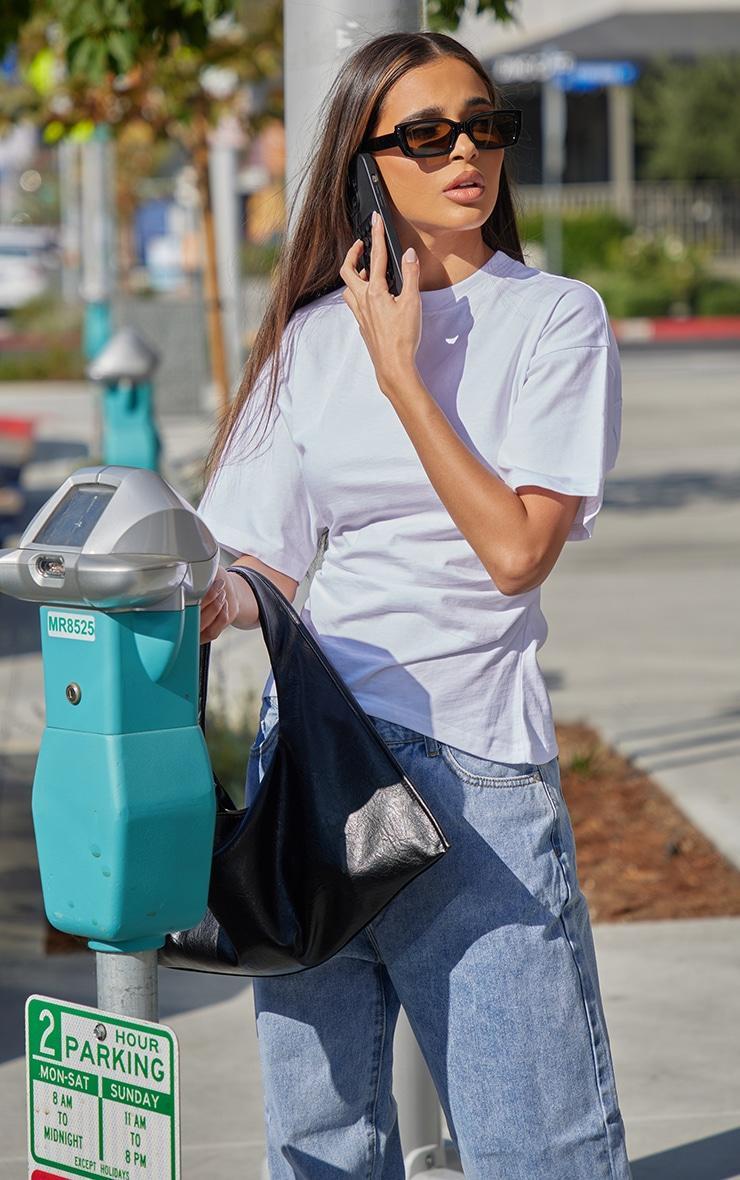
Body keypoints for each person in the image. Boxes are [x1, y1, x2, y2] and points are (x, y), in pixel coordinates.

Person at [196, 29, 632, 1180]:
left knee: (534, 1147)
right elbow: (268, 566)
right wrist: (212, 602)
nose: (465, 155)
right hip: (315, 768)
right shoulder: (309, 338)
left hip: (471, 774)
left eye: (485, 126)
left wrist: (401, 370)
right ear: (364, 165)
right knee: (320, 1144)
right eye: (427, 134)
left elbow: (513, 551)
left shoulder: (552, 319)